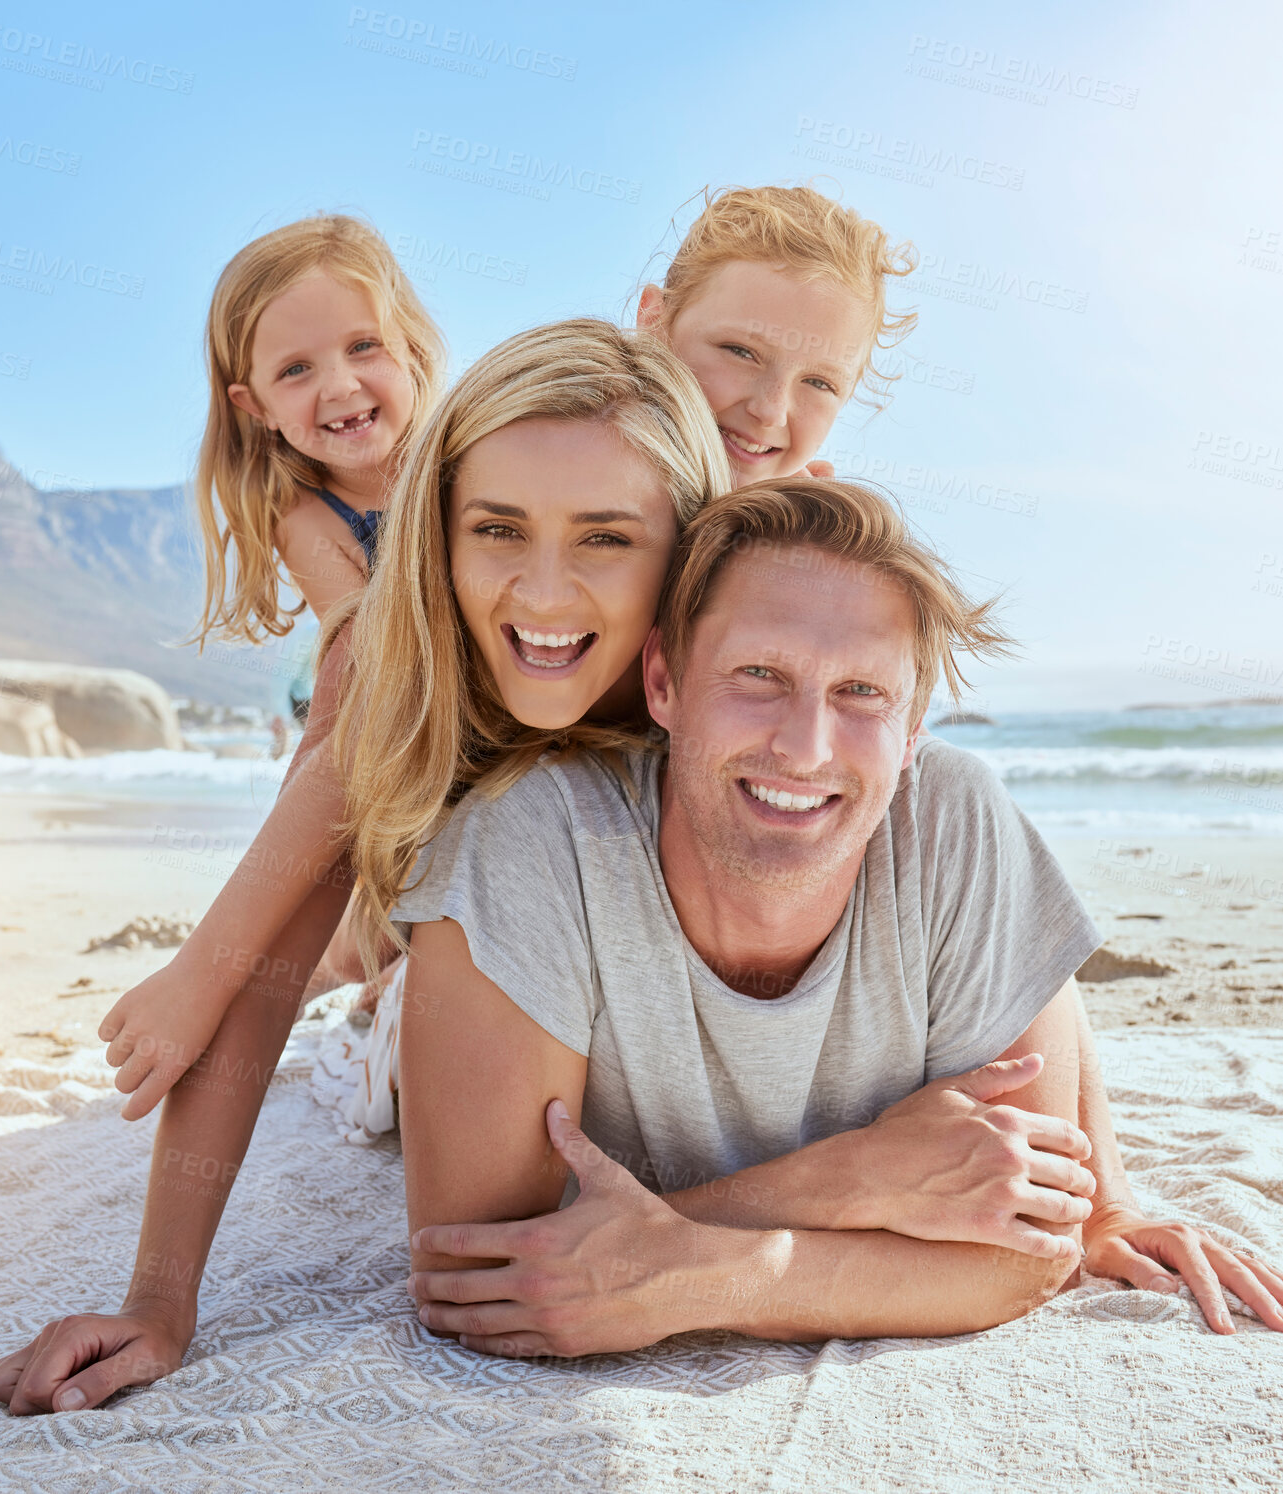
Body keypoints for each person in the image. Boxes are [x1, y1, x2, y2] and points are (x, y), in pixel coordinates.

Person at [396, 478, 1283, 1353]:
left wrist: (696, 1276)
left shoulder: (951, 813)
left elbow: (1028, 1251)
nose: (805, 746)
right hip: (446, 1025)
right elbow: (484, 1278)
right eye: (757, 674)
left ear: (910, 729)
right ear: (663, 681)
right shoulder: (530, 842)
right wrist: (852, 1178)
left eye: (860, 692)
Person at [97, 183, 916, 1115]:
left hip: (594, 805)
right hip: (439, 712)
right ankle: (367, 960)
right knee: (369, 779)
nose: (770, 409)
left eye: (820, 384)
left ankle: (374, 957)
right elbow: (363, 699)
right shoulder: (533, 488)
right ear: (654, 321)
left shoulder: (769, 522)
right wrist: (208, 971)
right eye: (738, 352)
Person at [192, 211, 445, 645]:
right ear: (256, 406)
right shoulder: (305, 519)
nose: (340, 387)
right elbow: (376, 660)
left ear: (412, 347)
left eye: (364, 346)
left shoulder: (476, 452)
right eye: (295, 370)